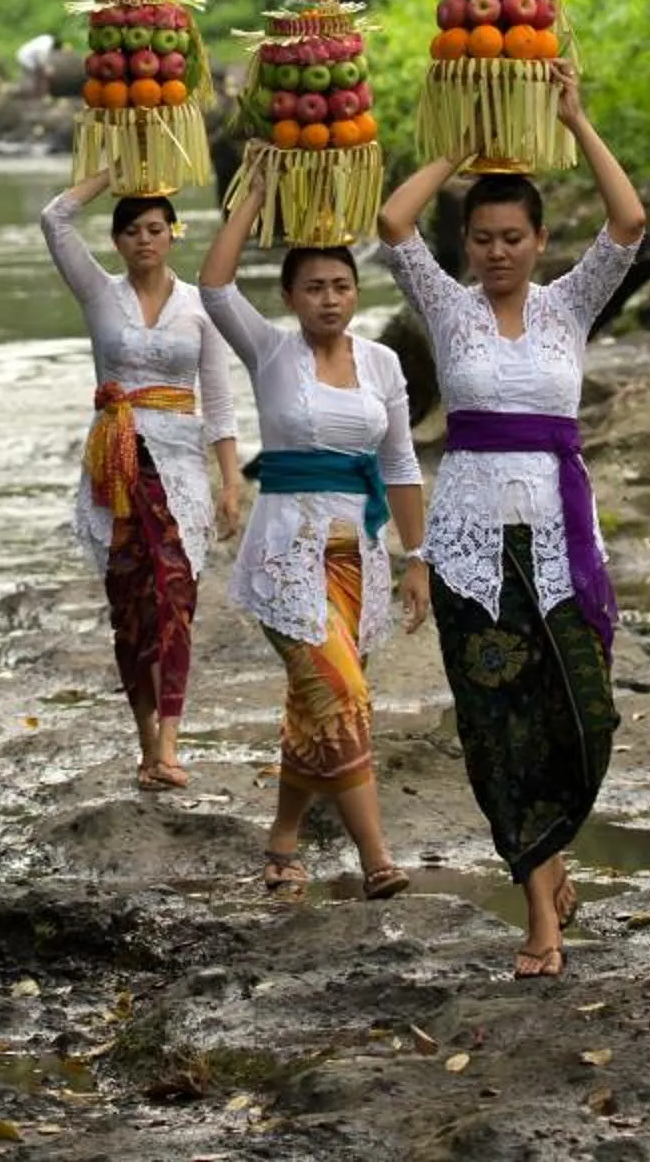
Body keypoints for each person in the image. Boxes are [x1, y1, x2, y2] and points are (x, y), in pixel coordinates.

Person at [376, 63, 646, 978]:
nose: (496, 252)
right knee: (498, 723)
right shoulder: (448, 312)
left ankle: (554, 848)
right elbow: (392, 224)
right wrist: (455, 151)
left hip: (563, 540)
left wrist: (577, 120)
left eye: (512, 237)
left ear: (538, 240)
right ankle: (540, 912)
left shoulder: (571, 305)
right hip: (468, 545)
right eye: (482, 237)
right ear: (468, 244)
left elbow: (629, 224)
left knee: (584, 712)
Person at [196, 176, 427, 900]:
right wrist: (256, 197)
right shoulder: (270, 352)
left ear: (355, 292)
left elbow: (400, 463)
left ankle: (283, 841)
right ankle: (376, 857)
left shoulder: (383, 364)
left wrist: (416, 558)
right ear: (292, 297)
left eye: (341, 285)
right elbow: (213, 286)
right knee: (342, 689)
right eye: (314, 287)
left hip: (356, 552)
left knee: (314, 698)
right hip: (283, 552)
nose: (329, 298)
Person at [42, 171, 243, 789]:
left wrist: (230, 479)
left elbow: (220, 396)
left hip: (180, 464)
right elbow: (54, 218)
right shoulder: (100, 294)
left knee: (175, 596)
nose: (144, 239)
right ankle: (145, 742)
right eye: (130, 230)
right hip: (117, 463)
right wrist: (112, 172)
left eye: (155, 228)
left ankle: (171, 743)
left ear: (173, 234)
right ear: (117, 240)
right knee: (130, 604)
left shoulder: (200, 306)